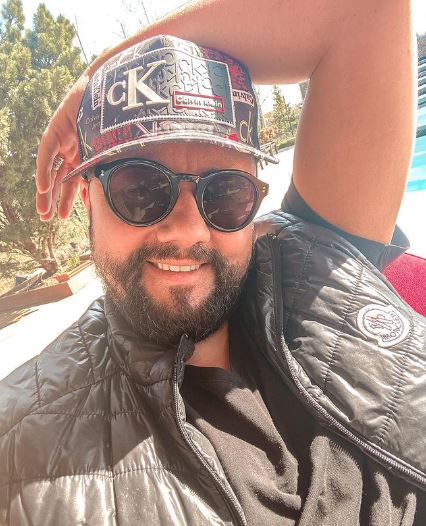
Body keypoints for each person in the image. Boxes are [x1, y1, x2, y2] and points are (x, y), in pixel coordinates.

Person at [1, 1, 425, 524]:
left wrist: (101, 71)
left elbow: (366, 10)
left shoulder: (320, 258)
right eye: (140, 189)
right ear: (87, 199)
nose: (187, 230)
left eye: (225, 193)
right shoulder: (20, 449)